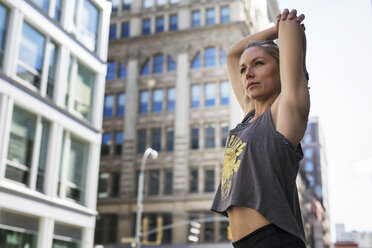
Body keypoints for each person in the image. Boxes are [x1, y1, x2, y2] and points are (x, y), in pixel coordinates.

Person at [211, 9, 310, 248]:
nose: (248, 74)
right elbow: (233, 54)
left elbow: (290, 28)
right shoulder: (249, 116)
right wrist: (271, 32)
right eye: (244, 70)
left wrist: (284, 26)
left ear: (281, 70)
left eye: (258, 64)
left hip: (273, 239)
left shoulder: (285, 112)